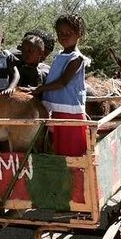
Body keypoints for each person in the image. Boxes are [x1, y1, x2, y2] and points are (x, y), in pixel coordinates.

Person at [32, 14, 90, 157]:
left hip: (70, 111)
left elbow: (63, 81)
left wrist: (41, 88)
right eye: (60, 33)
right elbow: (53, 78)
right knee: (57, 147)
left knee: (71, 149)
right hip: (55, 108)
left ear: (79, 34)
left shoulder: (76, 58)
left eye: (68, 33)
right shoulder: (60, 55)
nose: (64, 36)